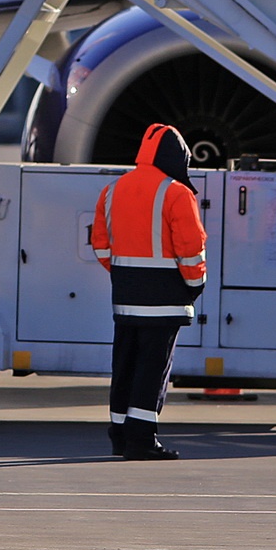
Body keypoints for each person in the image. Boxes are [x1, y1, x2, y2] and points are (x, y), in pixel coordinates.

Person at [90, 123, 207, 460]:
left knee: (124, 364)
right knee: (152, 369)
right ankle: (141, 440)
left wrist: (127, 274)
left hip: (125, 297)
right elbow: (190, 249)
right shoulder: (176, 192)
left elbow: (100, 246)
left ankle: (120, 435)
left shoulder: (113, 189)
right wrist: (195, 285)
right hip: (164, 299)